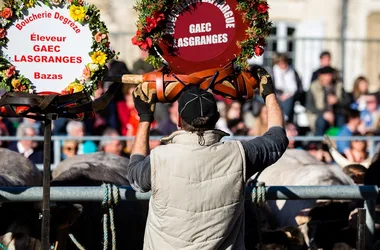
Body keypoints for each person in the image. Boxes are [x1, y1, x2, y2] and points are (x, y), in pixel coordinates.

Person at [127, 67, 288, 249]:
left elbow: (134, 176)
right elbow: (278, 139)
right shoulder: (239, 154)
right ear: (217, 118)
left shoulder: (159, 159)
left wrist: (145, 118)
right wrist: (269, 93)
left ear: (179, 121)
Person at [306, 66, 350, 135]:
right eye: (325, 75)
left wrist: (337, 101)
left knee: (341, 120)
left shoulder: (338, 85)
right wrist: (323, 113)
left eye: (329, 75)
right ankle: (319, 144)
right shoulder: (314, 87)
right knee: (321, 122)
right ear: (320, 76)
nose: (328, 78)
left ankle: (339, 144)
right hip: (318, 115)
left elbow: (347, 101)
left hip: (336, 114)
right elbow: (309, 106)